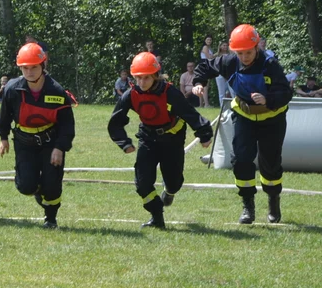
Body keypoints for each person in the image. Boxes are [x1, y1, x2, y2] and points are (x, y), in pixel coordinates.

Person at [192, 23, 291, 224]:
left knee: (270, 162)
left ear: (256, 47)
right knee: (241, 159)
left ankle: (273, 200)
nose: (244, 57)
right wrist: (198, 83)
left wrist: (268, 100)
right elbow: (206, 66)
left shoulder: (270, 64)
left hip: (272, 118)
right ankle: (248, 206)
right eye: (240, 53)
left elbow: (286, 93)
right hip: (244, 116)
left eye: (248, 53)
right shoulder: (229, 62)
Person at [108, 52, 213, 229]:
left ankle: (169, 191)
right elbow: (115, 121)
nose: (142, 83)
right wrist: (124, 143)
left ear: (156, 76)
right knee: (142, 183)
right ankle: (157, 216)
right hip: (148, 137)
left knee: (174, 182)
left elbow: (189, 113)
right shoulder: (130, 94)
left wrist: (204, 134)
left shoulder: (169, 92)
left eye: (146, 78)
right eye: (138, 78)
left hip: (172, 138)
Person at [0, 43, 75, 229]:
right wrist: (3, 137)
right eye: (25, 68)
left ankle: (51, 218)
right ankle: (38, 192)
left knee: (52, 184)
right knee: (26, 186)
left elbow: (67, 124)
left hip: (51, 143)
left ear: (43, 66)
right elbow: (4, 115)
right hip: (24, 142)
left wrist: (60, 148)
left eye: (34, 67)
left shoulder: (57, 91)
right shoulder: (12, 89)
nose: (29, 72)